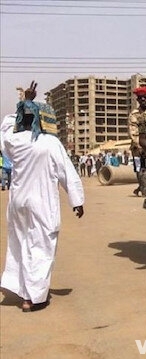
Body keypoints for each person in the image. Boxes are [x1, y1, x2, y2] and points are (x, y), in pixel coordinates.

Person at [0, 81, 84, 312]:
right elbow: (68, 173)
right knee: (41, 246)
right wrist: (76, 201)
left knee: (21, 243)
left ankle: (18, 287)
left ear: (21, 119)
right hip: (42, 203)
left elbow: (5, 125)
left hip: (18, 203)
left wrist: (25, 101)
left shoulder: (13, 142)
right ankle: (34, 298)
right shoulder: (50, 143)